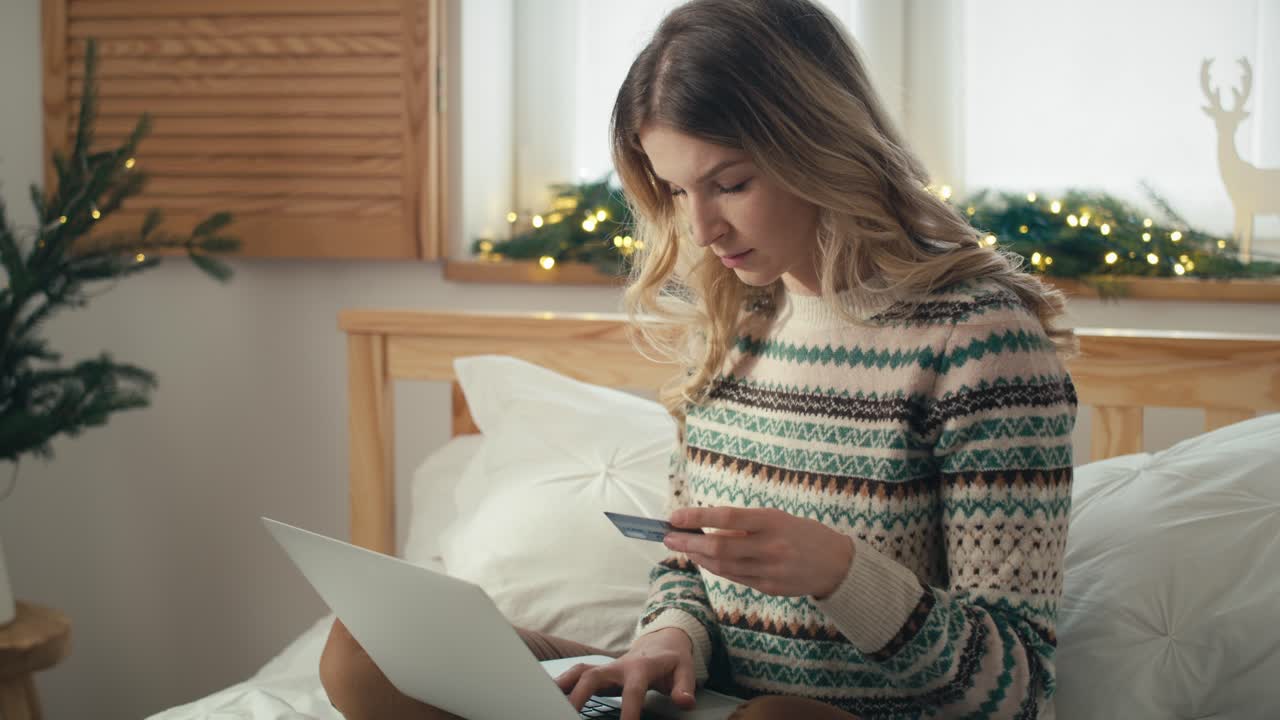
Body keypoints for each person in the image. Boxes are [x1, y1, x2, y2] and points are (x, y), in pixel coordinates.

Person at [319, 0, 1079, 718]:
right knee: (369, 648)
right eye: (678, 191)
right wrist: (667, 640)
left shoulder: (978, 340)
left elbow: (1016, 688)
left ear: (819, 147)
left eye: (731, 184)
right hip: (700, 704)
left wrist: (843, 573)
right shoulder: (733, 323)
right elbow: (687, 568)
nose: (703, 228)